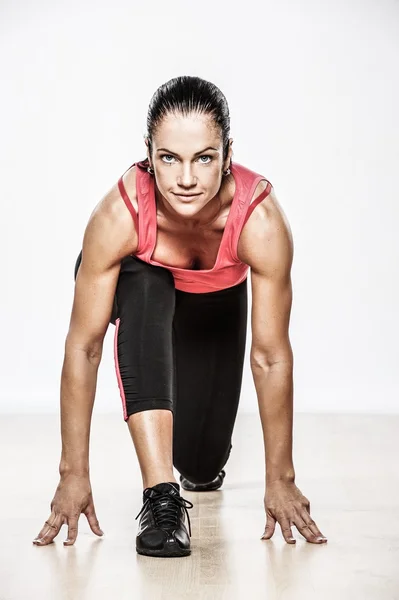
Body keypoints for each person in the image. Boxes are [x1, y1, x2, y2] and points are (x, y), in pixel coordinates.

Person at [32, 75, 328, 558]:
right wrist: (73, 473)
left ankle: (194, 470)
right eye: (169, 158)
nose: (185, 179)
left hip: (214, 305)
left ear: (227, 154)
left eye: (203, 158)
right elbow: (84, 347)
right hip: (145, 294)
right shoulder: (119, 214)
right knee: (146, 284)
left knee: (204, 466)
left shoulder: (261, 219)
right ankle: (161, 498)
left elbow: (271, 356)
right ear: (149, 154)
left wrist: (281, 479)